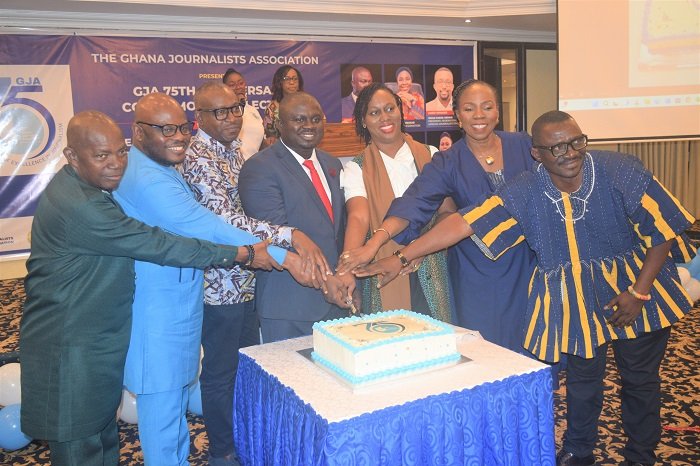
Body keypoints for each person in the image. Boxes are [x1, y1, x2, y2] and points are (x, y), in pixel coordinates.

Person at [357, 110, 696, 466]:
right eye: (556, 148)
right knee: (582, 379)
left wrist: (638, 293)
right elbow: (464, 222)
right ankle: (580, 450)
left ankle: (641, 456)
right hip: (576, 298)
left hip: (638, 288)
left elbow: (663, 230)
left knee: (639, 379)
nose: (569, 153)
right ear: (537, 153)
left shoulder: (620, 170)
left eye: (575, 142)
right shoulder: (525, 190)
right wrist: (400, 257)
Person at [19, 111, 263, 466]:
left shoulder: (89, 186)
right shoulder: (81, 205)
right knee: (81, 452)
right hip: (68, 350)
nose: (116, 164)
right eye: (102, 156)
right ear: (71, 157)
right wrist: (240, 253)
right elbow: (156, 243)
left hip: (93, 339)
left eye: (121, 152)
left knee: (102, 444)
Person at [113, 93, 307, 466]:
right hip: (157, 312)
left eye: (182, 127)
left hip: (179, 300)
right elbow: (209, 226)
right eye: (165, 129)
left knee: (176, 409)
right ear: (137, 132)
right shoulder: (148, 178)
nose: (179, 136)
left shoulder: (161, 165)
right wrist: (285, 255)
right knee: (164, 410)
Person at [179, 81, 329, 466]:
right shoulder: (198, 158)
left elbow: (248, 221)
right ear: (200, 118)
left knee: (246, 367)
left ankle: (241, 440)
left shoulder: (234, 152)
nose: (231, 117)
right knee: (220, 372)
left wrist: (279, 244)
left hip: (247, 280)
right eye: (219, 112)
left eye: (235, 108)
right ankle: (223, 451)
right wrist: (289, 236)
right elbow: (226, 222)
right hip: (220, 286)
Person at [337, 79, 536, 354]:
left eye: (487, 107)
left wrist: (420, 249)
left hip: (528, 266)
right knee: (477, 353)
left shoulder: (524, 145)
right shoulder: (448, 160)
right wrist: (369, 250)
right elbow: (407, 204)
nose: (479, 115)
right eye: (469, 108)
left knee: (534, 349)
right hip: (477, 271)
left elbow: (446, 212)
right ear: (457, 116)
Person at [240, 92, 354, 342]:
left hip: (336, 303)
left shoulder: (332, 163)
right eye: (299, 119)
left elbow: (339, 230)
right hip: (289, 307)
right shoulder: (259, 168)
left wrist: (346, 275)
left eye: (315, 119)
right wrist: (329, 282)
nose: (309, 126)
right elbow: (276, 237)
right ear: (279, 124)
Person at [338, 83, 452, 321]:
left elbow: (447, 212)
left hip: (430, 263)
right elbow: (358, 217)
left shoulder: (431, 155)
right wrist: (349, 263)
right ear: (363, 121)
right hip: (382, 268)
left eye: (390, 108)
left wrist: (420, 248)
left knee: (436, 343)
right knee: (389, 341)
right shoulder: (355, 168)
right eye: (374, 112)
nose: (384, 117)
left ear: (401, 112)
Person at [223, 68, 266, 159]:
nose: (238, 87)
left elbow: (261, 143)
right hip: (233, 166)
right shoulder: (224, 112)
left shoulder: (253, 110)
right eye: (232, 85)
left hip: (255, 166)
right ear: (225, 88)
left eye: (241, 83)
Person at [263, 65, 303, 146]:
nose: (292, 82)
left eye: (295, 79)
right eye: (287, 79)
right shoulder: (272, 108)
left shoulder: (307, 103)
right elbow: (270, 137)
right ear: (279, 82)